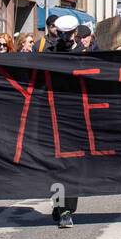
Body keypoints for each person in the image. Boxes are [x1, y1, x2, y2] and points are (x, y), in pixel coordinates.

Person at [45, 15, 83, 228]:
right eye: (62, 34)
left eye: (69, 34)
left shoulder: (87, 55)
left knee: (72, 166)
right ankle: (59, 205)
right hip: (53, 117)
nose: (65, 38)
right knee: (57, 168)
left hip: (78, 118)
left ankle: (67, 210)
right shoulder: (49, 54)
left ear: (75, 32)